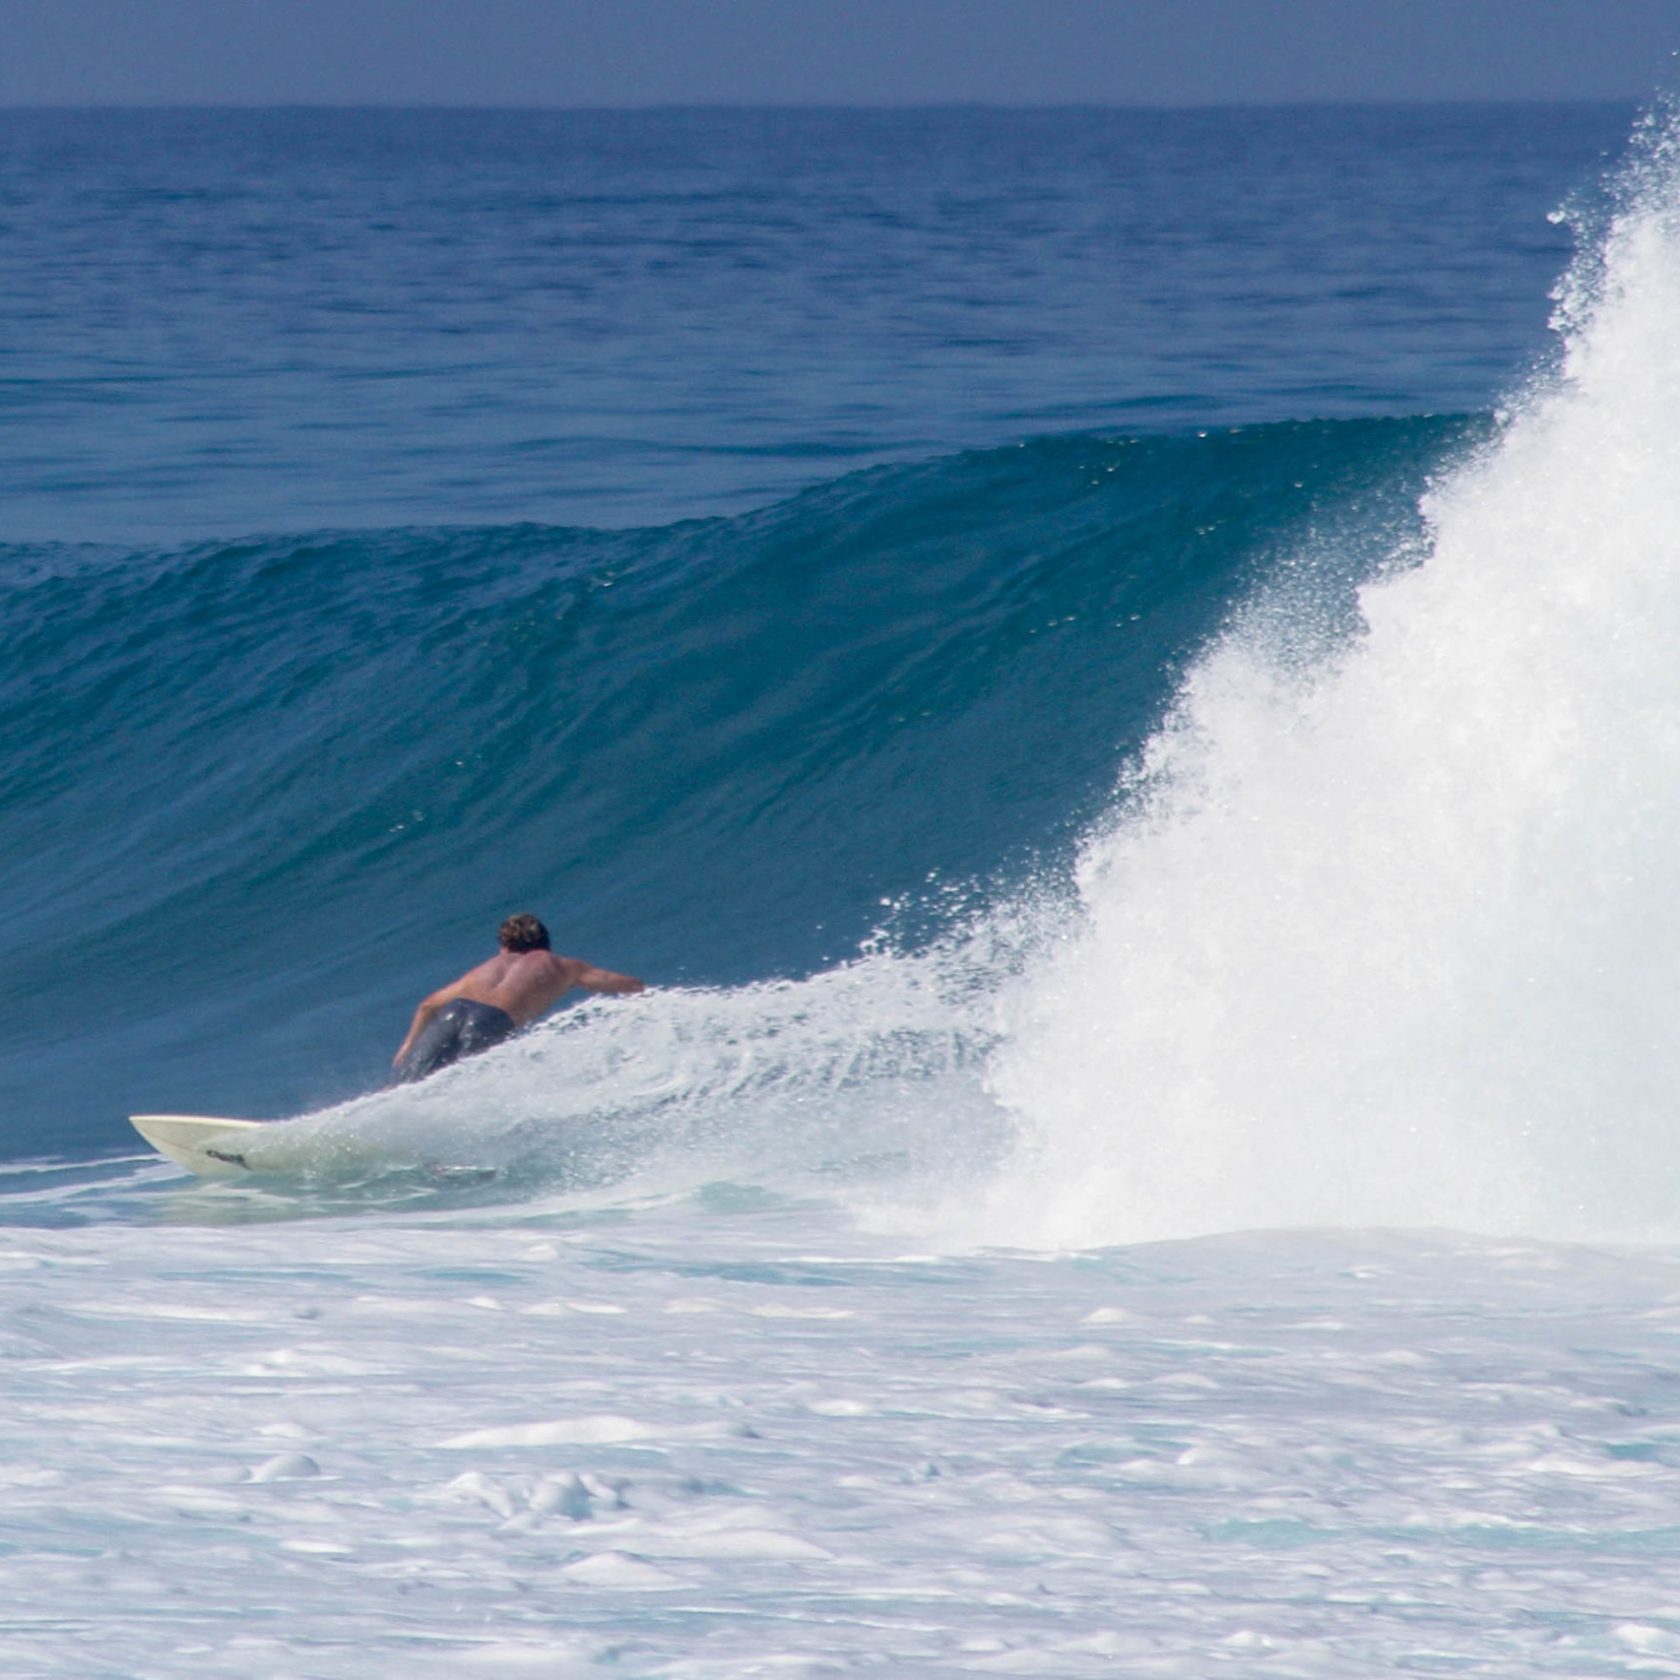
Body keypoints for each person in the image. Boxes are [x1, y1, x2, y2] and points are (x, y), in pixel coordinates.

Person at [390, 912, 644, 1085]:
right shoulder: (562, 965)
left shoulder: (487, 966)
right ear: (545, 941)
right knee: (454, 1084)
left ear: (505, 945)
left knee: (407, 1085)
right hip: (493, 1020)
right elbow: (626, 985)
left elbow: (427, 1005)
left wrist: (408, 1046)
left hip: (454, 1011)